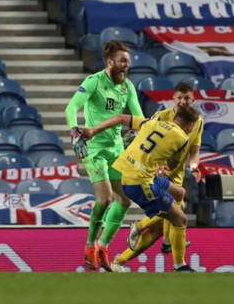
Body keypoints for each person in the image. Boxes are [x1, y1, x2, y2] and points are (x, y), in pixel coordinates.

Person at [81, 105, 200, 272]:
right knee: (180, 219)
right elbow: (172, 164)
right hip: (140, 183)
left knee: (179, 193)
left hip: (128, 174)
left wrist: (93, 130)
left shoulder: (152, 123)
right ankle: (179, 265)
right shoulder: (182, 138)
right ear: (189, 125)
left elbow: (121, 118)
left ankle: (166, 239)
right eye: (193, 126)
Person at [64, 40, 144, 271]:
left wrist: (141, 132)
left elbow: (138, 116)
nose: (126, 66)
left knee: (125, 201)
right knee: (106, 198)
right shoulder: (93, 82)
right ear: (110, 62)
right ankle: (89, 245)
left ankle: (103, 245)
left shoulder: (127, 86)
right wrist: (74, 131)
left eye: (128, 62)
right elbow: (71, 107)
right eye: (122, 62)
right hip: (94, 149)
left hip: (116, 150)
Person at [123, 82, 204, 260]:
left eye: (187, 98)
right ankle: (169, 250)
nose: (183, 101)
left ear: (193, 99)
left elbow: (195, 150)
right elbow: (143, 137)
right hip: (158, 172)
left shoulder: (198, 121)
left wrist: (195, 167)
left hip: (178, 172)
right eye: (179, 98)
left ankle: (164, 241)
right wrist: (157, 165)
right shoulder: (161, 116)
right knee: (176, 209)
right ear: (173, 99)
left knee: (174, 211)